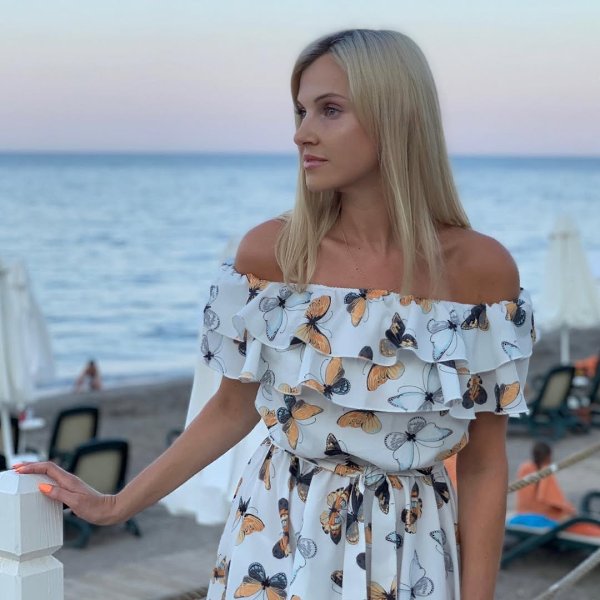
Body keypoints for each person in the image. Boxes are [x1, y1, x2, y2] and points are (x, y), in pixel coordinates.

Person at [13, 29, 534, 599]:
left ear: (396, 117)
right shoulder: (272, 257)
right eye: (301, 111)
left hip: (411, 552)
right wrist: (116, 505)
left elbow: (485, 463)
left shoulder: (481, 273)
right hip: (278, 539)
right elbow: (229, 409)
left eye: (330, 110)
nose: (301, 132)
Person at [515, 441, 600, 537]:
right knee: (584, 526)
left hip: (522, 515)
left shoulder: (524, 468)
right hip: (544, 518)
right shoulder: (545, 471)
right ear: (548, 456)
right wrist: (571, 511)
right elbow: (552, 499)